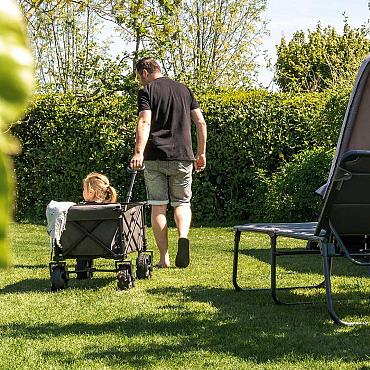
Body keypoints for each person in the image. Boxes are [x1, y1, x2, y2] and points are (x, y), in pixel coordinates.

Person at [130, 57, 207, 269]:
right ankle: (183, 236)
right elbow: (200, 122)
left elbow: (144, 120)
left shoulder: (147, 91)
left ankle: (164, 258)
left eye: (138, 76)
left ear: (145, 71)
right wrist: (201, 153)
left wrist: (138, 152)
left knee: (158, 207)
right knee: (182, 203)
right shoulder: (185, 90)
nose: (139, 81)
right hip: (183, 156)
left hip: (155, 156)